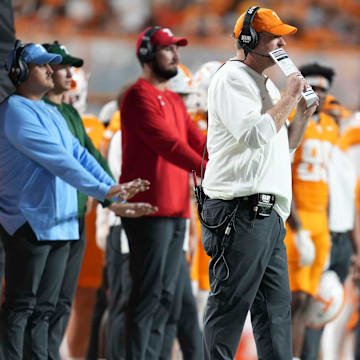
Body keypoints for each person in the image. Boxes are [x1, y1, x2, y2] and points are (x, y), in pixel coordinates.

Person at [0, 41, 148, 360]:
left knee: (45, 308)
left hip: (57, 222)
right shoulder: (15, 111)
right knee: (22, 305)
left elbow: (80, 154)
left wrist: (114, 189)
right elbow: (59, 160)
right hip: (30, 221)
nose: (51, 71)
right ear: (21, 71)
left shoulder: (46, 110)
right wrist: (104, 192)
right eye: (43, 66)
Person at [200, 7, 317, 360]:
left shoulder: (263, 83)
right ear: (249, 40)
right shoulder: (232, 78)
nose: (282, 42)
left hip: (266, 215)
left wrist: (303, 115)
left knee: (275, 316)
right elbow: (253, 135)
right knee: (229, 309)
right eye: (274, 36)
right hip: (239, 211)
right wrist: (290, 98)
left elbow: (282, 146)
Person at [120, 26, 207, 360]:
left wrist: (224, 165)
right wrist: (207, 167)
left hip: (175, 211)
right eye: (168, 49)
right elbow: (169, 145)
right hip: (149, 211)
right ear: (146, 54)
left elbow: (196, 141)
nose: (176, 55)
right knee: (147, 297)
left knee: (169, 298)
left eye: (176, 48)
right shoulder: (138, 96)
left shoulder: (172, 98)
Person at [283, 63, 339, 360]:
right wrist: (299, 228)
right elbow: (284, 177)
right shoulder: (294, 119)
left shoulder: (330, 126)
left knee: (311, 303)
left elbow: (326, 182)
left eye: (323, 90)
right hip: (298, 219)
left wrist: (326, 228)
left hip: (320, 222)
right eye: (313, 87)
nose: (317, 94)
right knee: (295, 299)